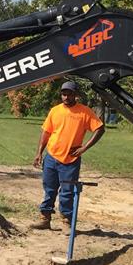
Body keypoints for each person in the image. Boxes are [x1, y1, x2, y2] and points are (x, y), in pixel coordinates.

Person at [31, 80, 105, 229]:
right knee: (49, 189)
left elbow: (100, 129)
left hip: (70, 160)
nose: (66, 97)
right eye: (63, 94)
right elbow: (46, 132)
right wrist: (39, 153)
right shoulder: (55, 111)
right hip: (52, 157)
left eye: (69, 94)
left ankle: (66, 222)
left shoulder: (84, 111)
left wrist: (84, 148)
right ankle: (45, 219)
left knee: (67, 192)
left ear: (75, 95)